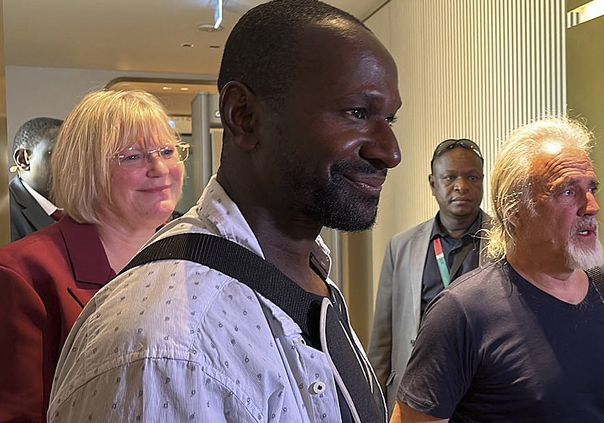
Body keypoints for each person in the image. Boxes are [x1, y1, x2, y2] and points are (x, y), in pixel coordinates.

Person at [48, 1, 401, 422]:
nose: (390, 152)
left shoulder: (306, 276)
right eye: (357, 113)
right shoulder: (174, 349)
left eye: (389, 119)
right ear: (244, 117)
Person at [392, 117, 604, 422]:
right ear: (514, 212)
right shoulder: (461, 312)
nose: (591, 206)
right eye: (567, 191)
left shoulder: (603, 286)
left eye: (592, 188)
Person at [0, 90, 186, 422]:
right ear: (87, 169)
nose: (160, 168)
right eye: (132, 156)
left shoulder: (193, 255)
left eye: (168, 150)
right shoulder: (23, 273)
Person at [369, 138, 491, 412]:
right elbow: (382, 342)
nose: (462, 186)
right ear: (433, 184)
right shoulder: (401, 247)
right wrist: (374, 407)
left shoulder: (507, 243)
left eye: (472, 177)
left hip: (484, 394)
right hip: (418, 395)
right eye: (450, 177)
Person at [9, 117, 63, 241]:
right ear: (23, 159)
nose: (73, 164)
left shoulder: (85, 206)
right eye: (60, 154)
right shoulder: (5, 214)